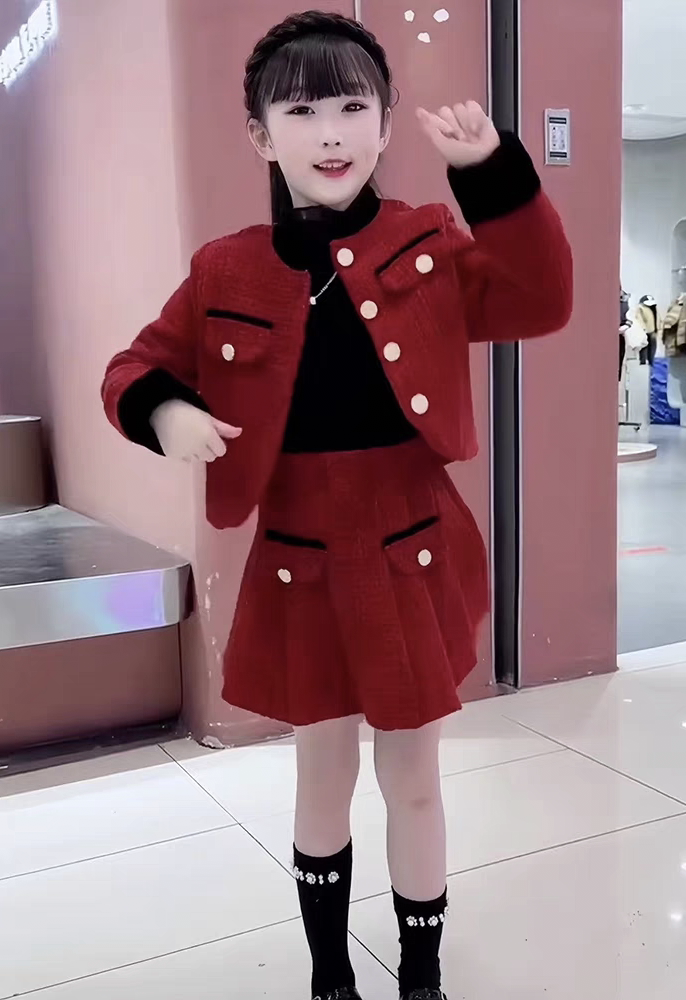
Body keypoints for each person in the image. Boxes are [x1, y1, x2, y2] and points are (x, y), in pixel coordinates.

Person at [102, 11, 572, 1000]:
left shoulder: (426, 242)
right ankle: (328, 975)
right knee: (321, 775)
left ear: (387, 123)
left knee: (414, 780)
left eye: (353, 108)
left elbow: (540, 299)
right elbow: (133, 367)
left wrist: (491, 175)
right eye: (301, 109)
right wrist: (166, 409)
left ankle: (421, 975)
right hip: (298, 560)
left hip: (411, 548)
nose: (330, 134)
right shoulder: (225, 268)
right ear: (260, 133)